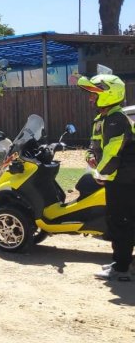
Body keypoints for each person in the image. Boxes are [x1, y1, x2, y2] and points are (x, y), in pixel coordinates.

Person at [77, 74, 135, 281]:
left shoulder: (116, 119)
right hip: (117, 179)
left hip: (124, 180)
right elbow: (95, 146)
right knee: (119, 221)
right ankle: (123, 261)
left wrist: (99, 174)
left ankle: (121, 268)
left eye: (94, 94)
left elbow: (112, 153)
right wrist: (90, 156)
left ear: (109, 94)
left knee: (122, 222)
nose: (90, 98)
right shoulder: (104, 118)